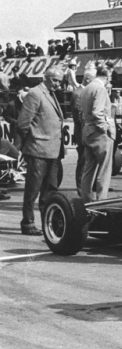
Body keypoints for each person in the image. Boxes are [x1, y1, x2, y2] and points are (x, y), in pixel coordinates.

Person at [16, 66, 65, 235]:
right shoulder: (35, 94)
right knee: (33, 189)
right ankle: (28, 222)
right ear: (45, 77)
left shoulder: (51, 94)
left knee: (50, 190)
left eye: (60, 81)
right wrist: (32, 141)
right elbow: (22, 123)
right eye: (55, 80)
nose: (57, 84)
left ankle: (47, 222)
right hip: (38, 150)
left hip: (53, 150)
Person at [80, 67, 115, 203]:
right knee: (105, 169)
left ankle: (86, 199)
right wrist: (104, 128)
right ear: (107, 76)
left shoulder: (87, 88)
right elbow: (97, 112)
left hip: (87, 131)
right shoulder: (100, 89)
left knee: (89, 168)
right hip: (99, 133)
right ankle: (102, 201)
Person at [71, 69, 95, 195]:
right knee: (83, 162)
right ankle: (81, 189)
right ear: (87, 79)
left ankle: (89, 188)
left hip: (88, 133)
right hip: (83, 134)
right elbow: (80, 117)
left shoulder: (85, 92)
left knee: (88, 161)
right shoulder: (79, 93)